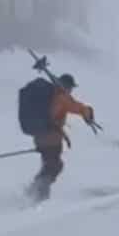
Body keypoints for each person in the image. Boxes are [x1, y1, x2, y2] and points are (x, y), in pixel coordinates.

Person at [27, 73, 94, 202]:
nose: (71, 90)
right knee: (54, 165)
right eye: (71, 87)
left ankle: (36, 191)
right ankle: (38, 194)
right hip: (51, 139)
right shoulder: (61, 97)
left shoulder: (52, 94)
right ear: (67, 86)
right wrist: (88, 111)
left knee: (50, 165)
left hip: (41, 137)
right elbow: (75, 107)